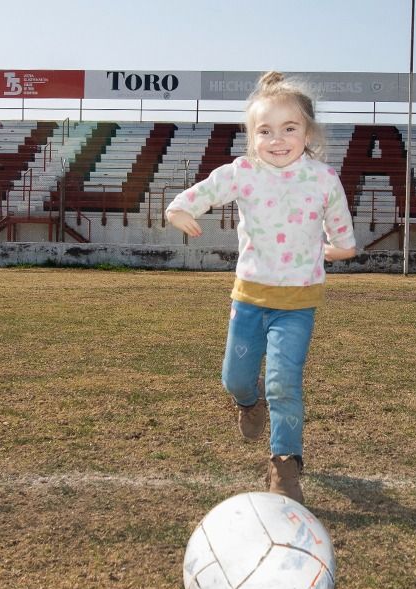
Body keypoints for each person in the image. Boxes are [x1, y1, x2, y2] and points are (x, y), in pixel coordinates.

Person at [165, 71, 357, 504]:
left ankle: (285, 464)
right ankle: (248, 403)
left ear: (308, 132)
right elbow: (199, 194)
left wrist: (335, 249)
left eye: (289, 128)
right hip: (249, 298)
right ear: (252, 137)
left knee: (284, 383)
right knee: (235, 379)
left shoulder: (323, 178)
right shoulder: (243, 172)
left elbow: (343, 237)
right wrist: (179, 211)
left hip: (297, 304)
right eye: (265, 130)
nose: (277, 139)